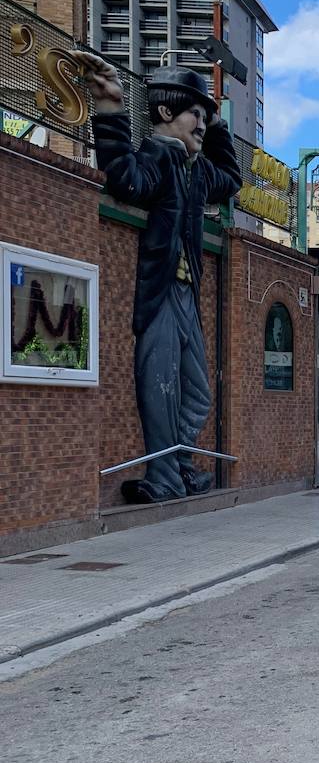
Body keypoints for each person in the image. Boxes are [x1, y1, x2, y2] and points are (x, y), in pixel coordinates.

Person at [73, 54, 242, 503]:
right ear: (166, 113)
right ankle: (163, 477)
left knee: (198, 394)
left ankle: (179, 465)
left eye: (205, 118)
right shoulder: (157, 157)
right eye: (195, 115)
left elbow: (231, 179)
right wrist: (109, 107)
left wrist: (220, 125)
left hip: (188, 293)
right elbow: (125, 180)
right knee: (159, 385)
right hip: (161, 291)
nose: (201, 124)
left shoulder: (200, 171)